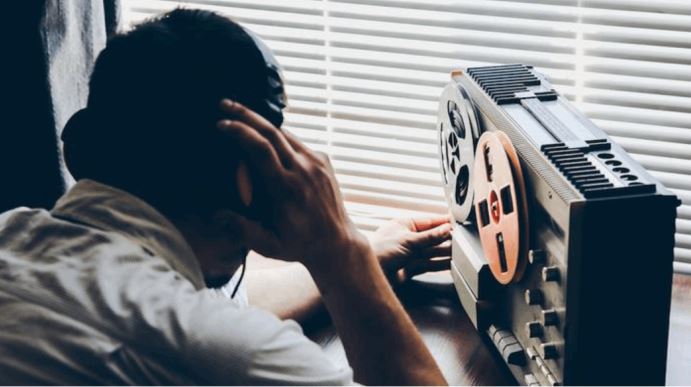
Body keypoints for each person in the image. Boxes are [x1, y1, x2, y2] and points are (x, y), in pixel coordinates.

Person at [0, 8, 451, 385]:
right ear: (250, 180)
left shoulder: (15, 235)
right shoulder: (222, 351)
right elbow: (204, 332)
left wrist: (367, 255)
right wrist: (341, 252)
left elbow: (194, 308)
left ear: (80, 146)